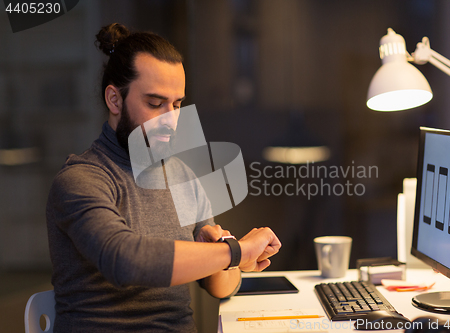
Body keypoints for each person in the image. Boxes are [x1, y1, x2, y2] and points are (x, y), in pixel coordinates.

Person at [46, 23, 281, 332]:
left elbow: (219, 286)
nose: (171, 121)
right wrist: (236, 251)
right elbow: (125, 260)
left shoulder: (182, 176)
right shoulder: (81, 180)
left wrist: (232, 260)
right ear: (114, 100)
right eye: (155, 104)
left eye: (177, 104)